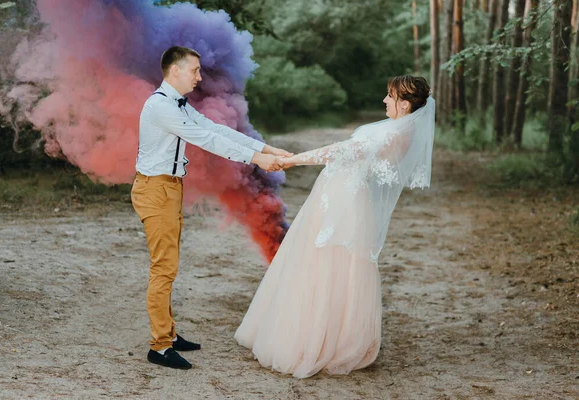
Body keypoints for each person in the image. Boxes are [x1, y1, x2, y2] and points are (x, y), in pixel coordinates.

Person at [234, 75, 434, 378]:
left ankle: (323, 343)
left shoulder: (394, 136)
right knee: (317, 262)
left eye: (390, 96)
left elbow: (341, 151)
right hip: (336, 199)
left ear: (405, 105)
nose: (384, 100)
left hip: (346, 206)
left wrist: (293, 160)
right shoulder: (392, 130)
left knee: (329, 265)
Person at [131, 46, 292, 370]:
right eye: (194, 71)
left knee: (169, 265)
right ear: (175, 71)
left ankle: (170, 335)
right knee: (164, 268)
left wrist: (265, 147)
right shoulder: (161, 106)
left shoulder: (177, 104)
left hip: (168, 188)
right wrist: (259, 160)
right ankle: (160, 347)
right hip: (155, 190)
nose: (199, 77)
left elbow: (215, 129)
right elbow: (205, 139)